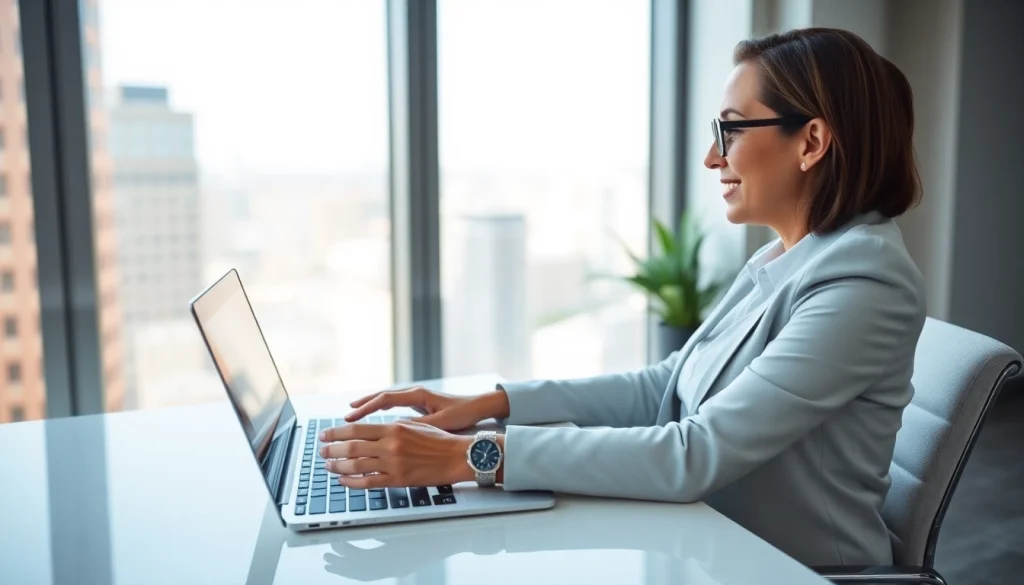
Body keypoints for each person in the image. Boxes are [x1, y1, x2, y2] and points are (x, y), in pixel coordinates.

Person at [318, 27, 926, 568]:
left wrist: (470, 457)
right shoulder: (786, 258)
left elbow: (696, 453)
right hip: (709, 539)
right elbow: (662, 388)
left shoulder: (863, 283)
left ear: (811, 141)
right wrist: (491, 403)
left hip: (785, 567)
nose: (713, 157)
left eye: (730, 130)